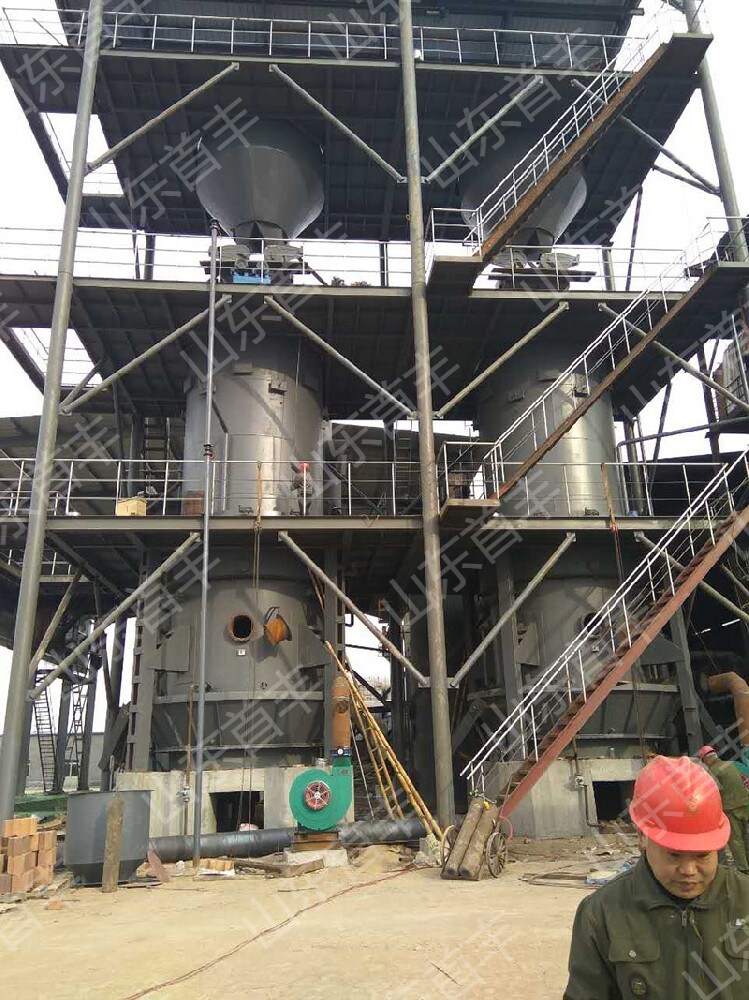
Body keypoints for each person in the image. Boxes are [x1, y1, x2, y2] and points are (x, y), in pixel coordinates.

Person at [564, 755, 749, 999]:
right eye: (674, 855)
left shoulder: (744, 900)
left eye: (702, 855)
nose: (688, 870)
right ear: (643, 837)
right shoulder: (602, 913)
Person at [698, 745, 749, 874]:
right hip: (744, 804)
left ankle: (743, 869)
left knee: (735, 840)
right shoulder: (732, 764)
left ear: (706, 760)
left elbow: (715, 791)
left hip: (730, 808)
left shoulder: (713, 771)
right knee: (745, 836)